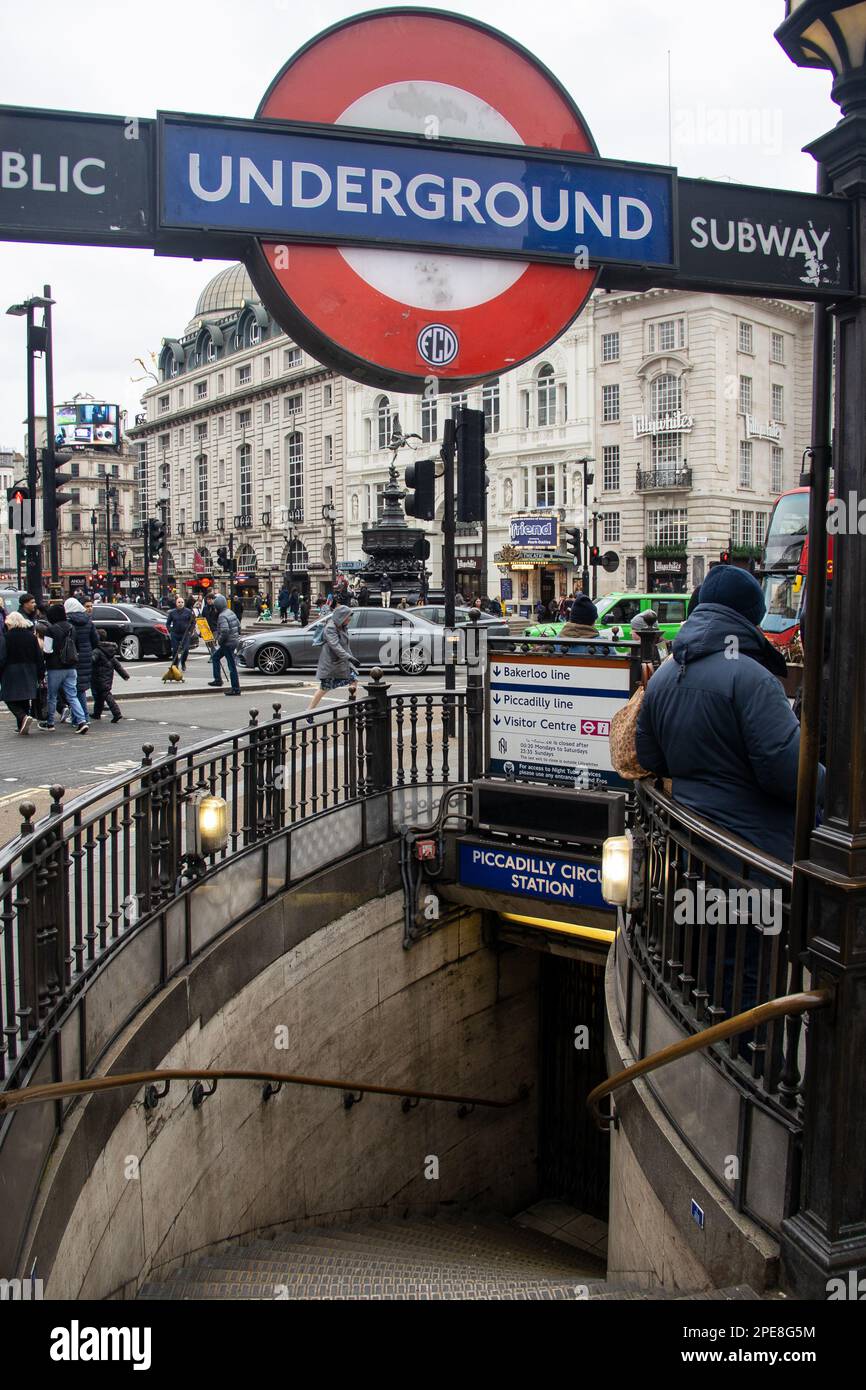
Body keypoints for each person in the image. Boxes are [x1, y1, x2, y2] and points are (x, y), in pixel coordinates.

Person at [636, 564, 822, 863]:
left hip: (689, 848)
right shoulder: (754, 679)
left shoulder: (664, 675)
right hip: (754, 856)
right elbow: (790, 774)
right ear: (751, 615)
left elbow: (649, 757)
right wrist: (837, 791)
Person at [39, 602, 88, 731]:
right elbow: (76, 647)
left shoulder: (51, 629)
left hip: (55, 667)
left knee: (52, 696)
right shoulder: (72, 628)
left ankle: (50, 723)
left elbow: (47, 650)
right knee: (72, 695)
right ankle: (82, 721)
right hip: (71, 666)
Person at [0, 609, 45, 735]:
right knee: (24, 698)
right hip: (30, 670)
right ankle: (22, 726)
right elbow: (38, 656)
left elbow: (2, 657)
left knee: (8, 697)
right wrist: (40, 672)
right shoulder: (31, 637)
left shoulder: (5, 638)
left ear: (11, 624)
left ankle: (23, 717)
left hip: (11, 671)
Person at [307, 605, 357, 715]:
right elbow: (335, 646)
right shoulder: (330, 628)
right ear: (341, 617)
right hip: (331, 664)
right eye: (348, 617)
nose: (349, 620)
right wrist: (349, 658)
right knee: (324, 688)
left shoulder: (342, 627)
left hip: (342, 662)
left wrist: (351, 659)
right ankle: (309, 712)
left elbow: (345, 646)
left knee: (353, 679)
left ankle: (352, 706)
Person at [62, 596, 98, 722]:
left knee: (75, 689)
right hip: (86, 656)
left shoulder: (68, 623)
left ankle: (81, 717)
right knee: (80, 688)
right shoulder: (88, 621)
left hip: (73, 657)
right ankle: (79, 717)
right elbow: (95, 640)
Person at [91, 628, 129, 722]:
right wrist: (124, 675)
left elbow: (92, 660)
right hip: (108, 677)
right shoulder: (110, 651)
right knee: (100, 697)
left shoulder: (97, 650)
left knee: (105, 695)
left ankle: (117, 713)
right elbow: (117, 665)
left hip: (98, 677)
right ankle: (97, 714)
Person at [207, 593, 241, 695]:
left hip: (227, 643)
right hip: (233, 641)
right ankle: (218, 680)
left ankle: (236, 688)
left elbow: (225, 631)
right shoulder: (230, 612)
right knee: (215, 657)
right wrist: (235, 636)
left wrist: (220, 641)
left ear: (218, 606)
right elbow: (239, 626)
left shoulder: (222, 616)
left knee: (231, 666)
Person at [167, 595, 195, 670]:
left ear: (184, 603)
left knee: (185, 650)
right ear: (176, 603)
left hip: (185, 633)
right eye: (179, 602)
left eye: (182, 602)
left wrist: (190, 630)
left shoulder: (188, 612)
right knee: (175, 650)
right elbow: (168, 623)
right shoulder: (172, 612)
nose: (180, 603)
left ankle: (183, 662)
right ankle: (175, 664)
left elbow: (193, 622)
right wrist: (170, 630)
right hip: (175, 633)